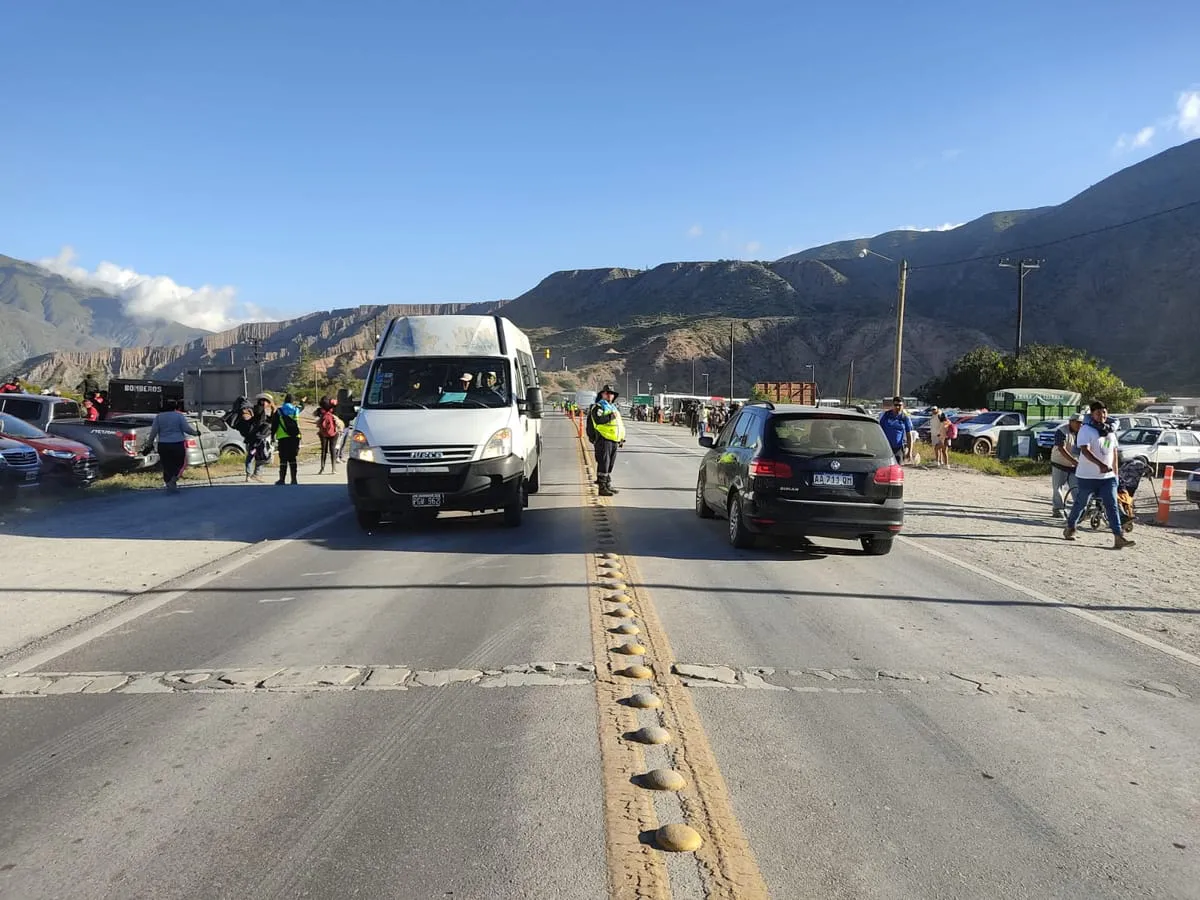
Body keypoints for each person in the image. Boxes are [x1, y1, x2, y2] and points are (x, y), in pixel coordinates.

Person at [1064, 401, 1135, 549]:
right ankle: (1071, 527)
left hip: (1107, 478)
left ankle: (1118, 536)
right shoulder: (1086, 430)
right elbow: (1085, 450)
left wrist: (1115, 473)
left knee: (1112, 506)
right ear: (1092, 414)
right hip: (1087, 476)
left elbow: (1111, 451)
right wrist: (1100, 465)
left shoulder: (1110, 432)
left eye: (1104, 412)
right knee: (1081, 504)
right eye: (1098, 413)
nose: (1101, 415)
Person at [144, 398, 197, 492]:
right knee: (180, 464)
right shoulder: (179, 416)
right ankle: (173, 480)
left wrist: (149, 444)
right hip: (178, 443)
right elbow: (186, 429)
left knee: (167, 465)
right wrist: (196, 433)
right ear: (175, 407)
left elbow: (153, 432)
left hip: (163, 444)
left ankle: (170, 485)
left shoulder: (159, 417)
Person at [587, 384, 626, 496]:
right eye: (607, 393)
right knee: (604, 463)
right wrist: (611, 417)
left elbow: (619, 425)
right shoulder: (599, 407)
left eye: (611, 393)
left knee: (610, 464)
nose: (610, 395)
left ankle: (607, 484)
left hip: (614, 440)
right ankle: (602, 487)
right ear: (603, 394)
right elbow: (598, 420)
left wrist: (621, 438)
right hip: (603, 439)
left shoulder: (613, 407)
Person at [1050, 414, 1084, 518]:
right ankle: (1058, 508)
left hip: (1074, 465)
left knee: (1076, 488)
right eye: (1078, 422)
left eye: (1081, 423)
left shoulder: (1082, 432)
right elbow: (1061, 449)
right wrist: (1074, 461)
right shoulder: (1062, 431)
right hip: (1059, 463)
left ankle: (1079, 509)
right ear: (1071, 421)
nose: (1080, 424)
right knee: (1058, 487)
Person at [272, 393, 302, 485]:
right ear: (293, 401)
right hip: (295, 437)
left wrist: (272, 436)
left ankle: (282, 479)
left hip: (283, 437)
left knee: (283, 459)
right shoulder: (296, 410)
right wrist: (302, 402)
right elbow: (302, 406)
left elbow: (274, 425)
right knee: (293, 458)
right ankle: (294, 479)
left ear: (284, 400)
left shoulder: (279, 411)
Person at [879, 396, 914, 464]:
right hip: (886, 448)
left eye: (899, 405)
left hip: (898, 448)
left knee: (897, 469)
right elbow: (880, 431)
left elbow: (909, 436)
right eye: (895, 405)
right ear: (892, 405)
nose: (897, 407)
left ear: (903, 406)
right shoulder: (886, 415)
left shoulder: (905, 418)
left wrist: (910, 452)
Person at [316, 398, 340, 475]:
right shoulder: (333, 410)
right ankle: (334, 468)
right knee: (332, 450)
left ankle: (322, 468)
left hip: (323, 433)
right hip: (334, 432)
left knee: (324, 450)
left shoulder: (320, 411)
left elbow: (316, 418)